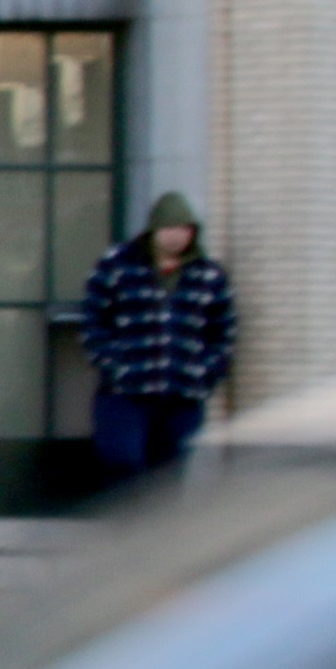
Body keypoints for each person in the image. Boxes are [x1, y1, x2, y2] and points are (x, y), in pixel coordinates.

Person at [80, 192, 238, 481]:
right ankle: (126, 523)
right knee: (122, 460)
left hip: (182, 394)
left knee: (167, 478)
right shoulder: (118, 266)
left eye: (184, 230)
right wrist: (114, 363)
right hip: (126, 392)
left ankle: (157, 525)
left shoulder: (208, 276)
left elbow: (223, 332)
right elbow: (93, 319)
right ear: (154, 230)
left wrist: (204, 372)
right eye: (170, 229)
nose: (178, 237)